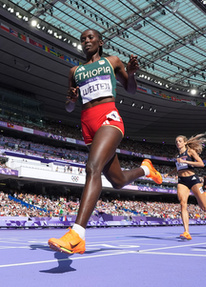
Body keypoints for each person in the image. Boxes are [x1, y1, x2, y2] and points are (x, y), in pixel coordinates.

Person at [48, 29, 162, 254]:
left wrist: (131, 73)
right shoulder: (75, 71)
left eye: (90, 38)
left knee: (92, 168)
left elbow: (131, 89)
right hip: (87, 124)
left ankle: (77, 234)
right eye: (82, 39)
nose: (86, 41)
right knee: (118, 181)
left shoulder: (112, 61)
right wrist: (70, 99)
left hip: (108, 118)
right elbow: (70, 105)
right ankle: (145, 169)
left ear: (100, 42)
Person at [164, 134, 206, 240]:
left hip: (193, 179)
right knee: (182, 204)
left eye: (180, 141)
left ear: (185, 142)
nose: (178, 143)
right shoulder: (177, 156)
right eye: (176, 142)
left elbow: (201, 164)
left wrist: (186, 161)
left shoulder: (190, 152)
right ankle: (186, 232)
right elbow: (178, 167)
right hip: (182, 181)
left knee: (205, 208)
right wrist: (170, 173)